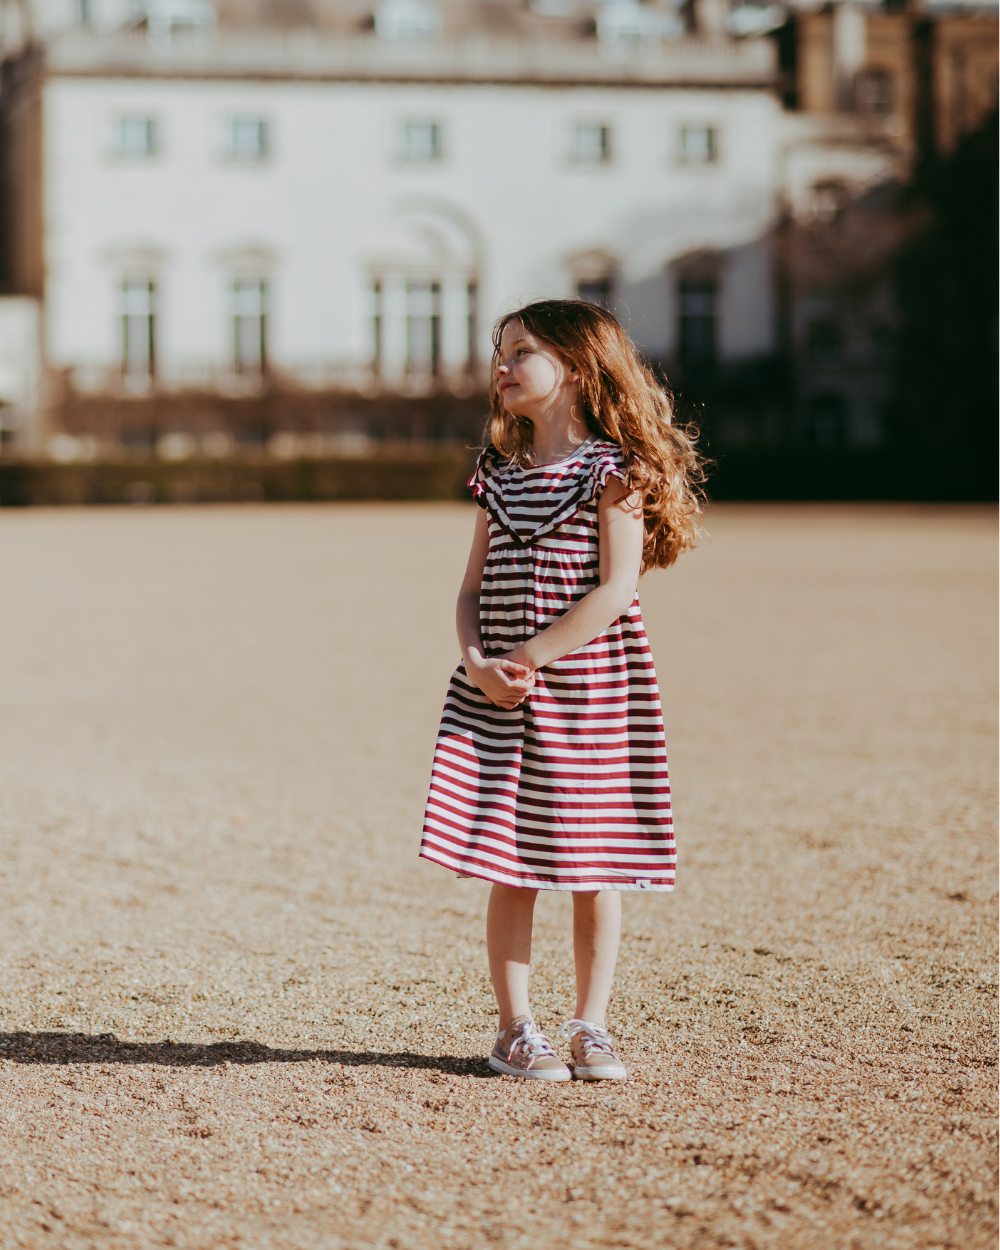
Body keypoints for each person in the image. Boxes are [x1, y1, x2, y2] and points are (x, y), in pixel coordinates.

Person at [420, 299, 704, 1081]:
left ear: (575, 368)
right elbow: (469, 589)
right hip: (498, 698)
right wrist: (479, 660)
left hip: (590, 694)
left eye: (522, 351)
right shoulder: (497, 476)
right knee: (511, 862)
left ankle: (592, 1026)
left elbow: (616, 589)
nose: (502, 366)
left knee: (591, 862)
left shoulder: (613, 472)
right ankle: (516, 1029)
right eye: (499, 352)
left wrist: (533, 657)